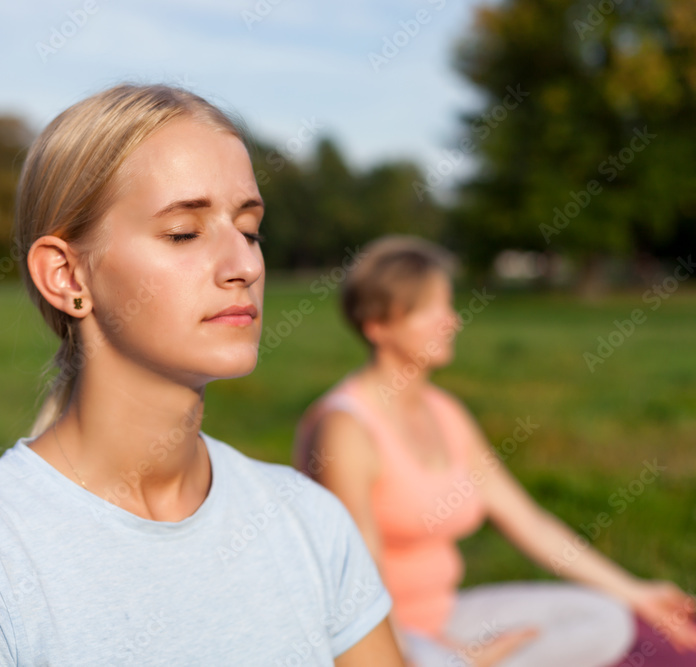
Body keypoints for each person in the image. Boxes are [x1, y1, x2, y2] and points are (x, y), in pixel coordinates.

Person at [0, 83, 405, 665]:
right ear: (68, 277)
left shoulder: (309, 523)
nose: (245, 265)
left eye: (249, 229)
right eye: (184, 232)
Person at [293, 235, 696, 667]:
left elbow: (530, 523)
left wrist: (636, 592)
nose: (452, 321)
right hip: (376, 638)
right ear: (378, 325)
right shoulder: (346, 428)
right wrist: (457, 657)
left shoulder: (445, 412)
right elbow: (358, 587)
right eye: (431, 309)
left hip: (445, 616)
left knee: (606, 619)